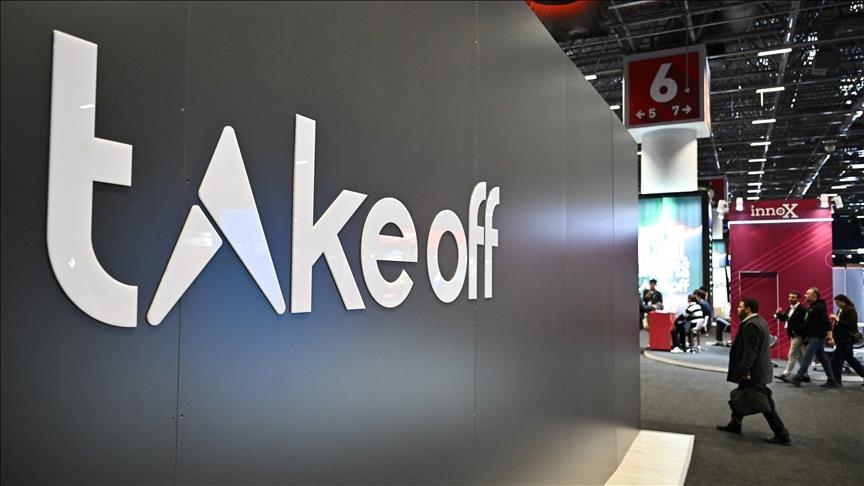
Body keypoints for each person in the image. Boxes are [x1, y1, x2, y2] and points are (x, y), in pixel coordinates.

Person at [717, 298, 791, 445]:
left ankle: (781, 433)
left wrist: (745, 370)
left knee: (764, 402)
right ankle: (735, 423)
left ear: (748, 309)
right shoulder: (760, 321)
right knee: (741, 394)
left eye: (740, 307)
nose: (738, 309)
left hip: (754, 371)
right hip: (759, 368)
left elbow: (750, 350)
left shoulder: (751, 325)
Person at [788, 287, 838, 388]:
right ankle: (832, 380)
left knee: (807, 357)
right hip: (813, 336)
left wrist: (830, 338)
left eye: (807, 294)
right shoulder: (812, 307)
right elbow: (808, 323)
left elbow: (826, 323)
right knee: (823, 358)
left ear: (814, 295)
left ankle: (798, 377)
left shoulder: (819, 307)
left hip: (817, 337)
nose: (805, 295)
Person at [828, 294, 864, 386]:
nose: (837, 304)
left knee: (836, 360)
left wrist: (837, 320)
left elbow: (850, 325)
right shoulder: (841, 310)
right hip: (842, 339)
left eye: (838, 302)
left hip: (846, 339)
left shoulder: (850, 310)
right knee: (850, 359)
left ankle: (836, 381)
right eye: (836, 303)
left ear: (844, 301)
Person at [774, 291, 810, 383]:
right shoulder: (790, 308)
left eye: (793, 297)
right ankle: (805, 374)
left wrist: (797, 331)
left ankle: (786, 373)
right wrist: (779, 314)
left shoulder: (803, 309)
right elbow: (785, 319)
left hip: (799, 335)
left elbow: (805, 323)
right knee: (800, 356)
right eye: (789, 297)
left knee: (791, 354)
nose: (790, 299)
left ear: (798, 298)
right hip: (792, 335)